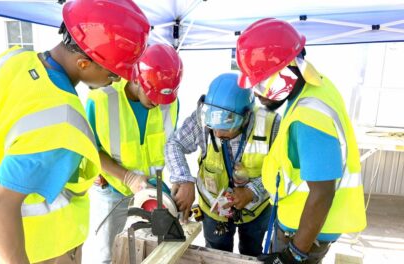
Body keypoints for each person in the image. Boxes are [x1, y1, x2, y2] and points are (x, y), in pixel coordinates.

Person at [0, 0, 149, 263]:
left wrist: (2, 180)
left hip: (11, 241)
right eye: (112, 73)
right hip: (46, 251)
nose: (117, 80)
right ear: (84, 63)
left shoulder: (6, 65)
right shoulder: (62, 119)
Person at [236, 18, 367, 263]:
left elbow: (322, 193)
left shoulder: (309, 118)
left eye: (262, 82)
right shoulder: (315, 87)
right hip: (301, 226)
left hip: (304, 234)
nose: (256, 93)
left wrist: (294, 253)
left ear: (289, 69)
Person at [85, 43, 183, 263]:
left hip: (154, 193)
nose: (159, 104)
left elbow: (173, 144)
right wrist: (128, 177)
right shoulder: (101, 99)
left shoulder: (170, 102)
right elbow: (89, 148)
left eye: (164, 99)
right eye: (153, 97)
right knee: (110, 255)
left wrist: (180, 178)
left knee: (153, 252)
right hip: (114, 192)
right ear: (137, 79)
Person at [166, 72, 280, 257]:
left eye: (226, 128)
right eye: (213, 126)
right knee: (215, 254)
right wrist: (183, 179)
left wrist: (253, 191)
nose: (218, 133)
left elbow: (282, 170)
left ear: (246, 116)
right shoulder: (203, 119)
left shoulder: (271, 124)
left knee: (251, 253)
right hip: (213, 212)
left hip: (255, 211)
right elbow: (174, 144)